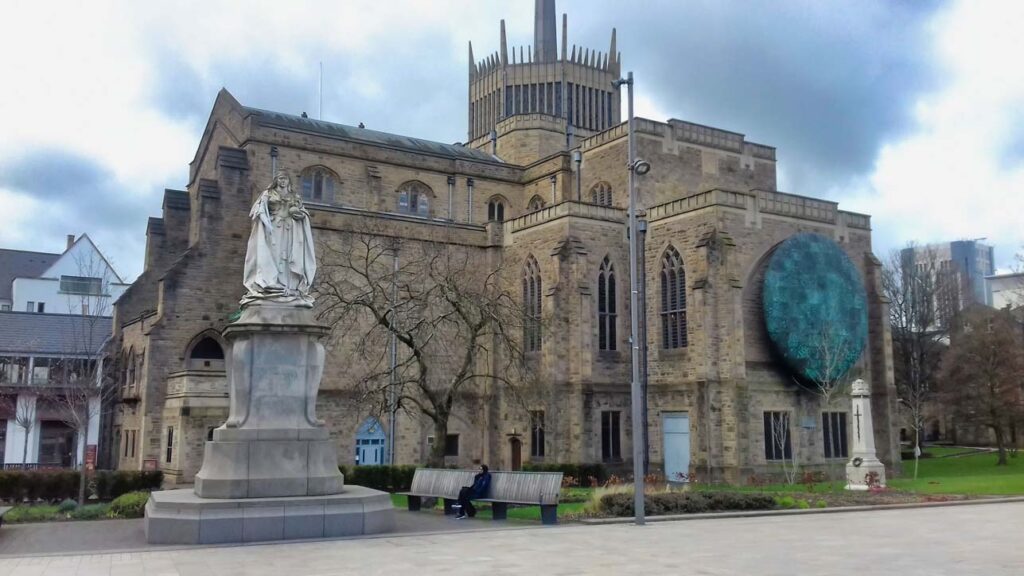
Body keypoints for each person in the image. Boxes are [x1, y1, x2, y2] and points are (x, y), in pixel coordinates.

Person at [241, 171, 317, 307]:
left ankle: (288, 285)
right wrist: (266, 223)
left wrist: (299, 214)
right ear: (276, 180)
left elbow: (303, 212)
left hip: (290, 230)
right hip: (273, 227)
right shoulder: (268, 194)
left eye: (285, 179)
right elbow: (259, 209)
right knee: (273, 255)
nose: (283, 181)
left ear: (289, 181)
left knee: (288, 256)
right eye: (281, 178)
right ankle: (271, 282)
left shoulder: (294, 196)